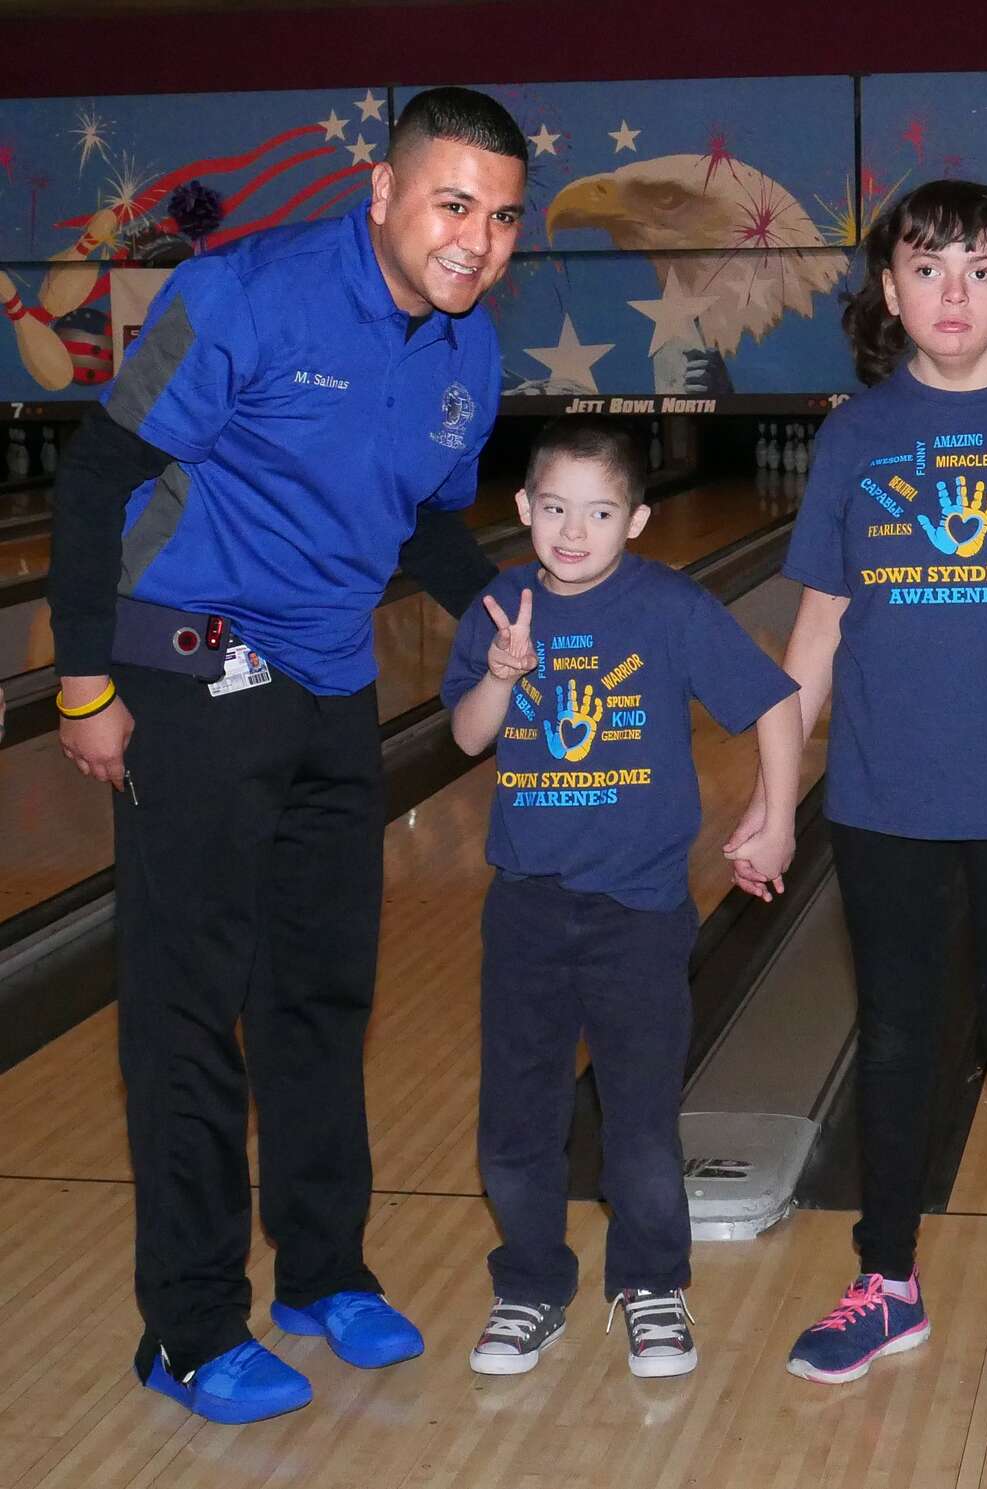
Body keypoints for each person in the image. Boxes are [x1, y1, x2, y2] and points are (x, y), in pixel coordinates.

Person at [46, 86, 528, 1425]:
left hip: (327, 686)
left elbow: (428, 528)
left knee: (322, 992)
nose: (473, 240)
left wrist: (498, 603)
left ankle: (324, 1270)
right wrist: (84, 682)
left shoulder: (467, 353)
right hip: (187, 669)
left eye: (499, 219)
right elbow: (94, 484)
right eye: (450, 203)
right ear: (380, 189)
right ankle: (190, 1326)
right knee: (190, 1010)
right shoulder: (240, 295)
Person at [727, 179, 987, 1405]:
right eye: (927, 268)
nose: (953, 291)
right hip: (882, 799)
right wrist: (773, 793)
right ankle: (889, 1284)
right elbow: (816, 631)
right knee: (899, 1040)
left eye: (979, 267)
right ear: (889, 294)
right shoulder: (858, 437)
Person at [441, 417, 801, 1378]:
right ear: (523, 508)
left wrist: (779, 814)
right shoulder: (499, 606)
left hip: (638, 910)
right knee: (516, 1122)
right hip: (524, 906)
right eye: (554, 508)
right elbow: (470, 738)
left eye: (598, 512)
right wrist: (502, 675)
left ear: (637, 519)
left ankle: (651, 1286)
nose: (572, 530)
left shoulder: (669, 609)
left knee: (640, 1122)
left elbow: (774, 698)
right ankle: (528, 1288)